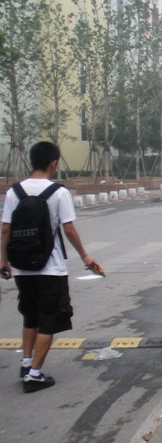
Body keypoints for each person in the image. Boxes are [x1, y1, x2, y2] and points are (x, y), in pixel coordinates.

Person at [0, 141, 97, 393]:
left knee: (30, 315)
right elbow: (68, 229)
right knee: (49, 321)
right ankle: (34, 375)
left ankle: (26, 362)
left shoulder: (14, 192)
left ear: (31, 161)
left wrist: (4, 261)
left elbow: (6, 229)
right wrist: (85, 256)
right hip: (49, 269)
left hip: (22, 268)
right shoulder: (58, 192)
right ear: (54, 163)